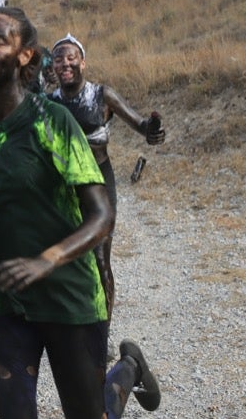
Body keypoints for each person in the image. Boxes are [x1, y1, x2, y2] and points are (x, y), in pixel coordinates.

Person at [0, 8, 160, 419]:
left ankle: (130, 366)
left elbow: (102, 215)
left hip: (67, 297)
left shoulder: (51, 122)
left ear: (25, 57)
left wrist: (48, 259)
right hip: (4, 303)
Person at [48, 33, 165, 317]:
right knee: (65, 261)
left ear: (83, 63)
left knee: (100, 258)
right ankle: (70, 326)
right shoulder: (47, 102)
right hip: (61, 188)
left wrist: (152, 129)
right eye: (58, 59)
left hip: (99, 183)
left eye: (71, 58)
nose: (65, 63)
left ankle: (102, 330)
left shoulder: (101, 95)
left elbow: (139, 124)